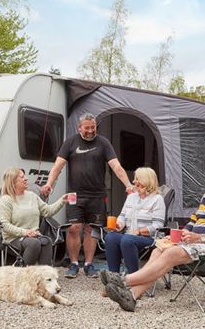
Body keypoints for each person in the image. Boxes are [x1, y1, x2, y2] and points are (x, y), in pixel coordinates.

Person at [101, 164, 205, 312]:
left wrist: (199, 237)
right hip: (196, 243)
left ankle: (123, 280)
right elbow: (193, 221)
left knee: (172, 253)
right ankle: (132, 296)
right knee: (159, 249)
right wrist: (183, 234)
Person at [40, 113, 134, 278]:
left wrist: (128, 185)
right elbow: (57, 166)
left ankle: (89, 264)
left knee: (92, 229)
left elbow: (116, 166)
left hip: (97, 194)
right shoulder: (70, 142)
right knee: (73, 228)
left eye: (93, 127)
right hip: (74, 194)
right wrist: (49, 184)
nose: (91, 131)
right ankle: (74, 263)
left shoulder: (103, 143)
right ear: (79, 127)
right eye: (87, 128)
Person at [0, 167, 70, 266]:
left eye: (25, 176)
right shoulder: (5, 200)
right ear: (13, 182)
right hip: (14, 238)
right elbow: (5, 225)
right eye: (22, 177)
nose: (26, 179)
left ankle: (44, 276)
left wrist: (62, 201)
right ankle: (22, 273)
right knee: (34, 243)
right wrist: (25, 232)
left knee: (46, 241)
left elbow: (48, 211)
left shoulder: (32, 196)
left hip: (34, 236)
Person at [104, 167, 165, 276]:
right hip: (129, 235)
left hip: (149, 239)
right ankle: (114, 278)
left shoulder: (157, 199)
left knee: (127, 239)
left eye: (138, 179)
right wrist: (119, 224)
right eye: (135, 179)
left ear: (147, 181)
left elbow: (158, 225)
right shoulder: (131, 197)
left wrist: (139, 231)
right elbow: (122, 216)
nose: (134, 182)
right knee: (110, 237)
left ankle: (134, 279)